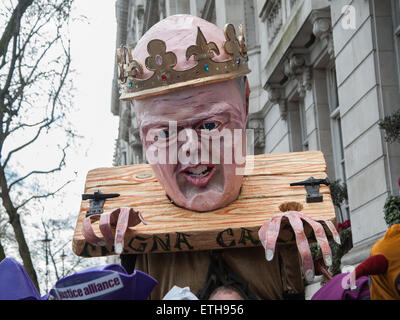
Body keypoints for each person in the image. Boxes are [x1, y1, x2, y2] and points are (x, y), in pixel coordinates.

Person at [113, 14, 336, 300]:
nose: (190, 149)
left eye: (209, 125)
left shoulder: (280, 241)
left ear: (244, 103)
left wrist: (293, 246)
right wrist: (129, 252)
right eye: (166, 134)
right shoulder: (144, 250)